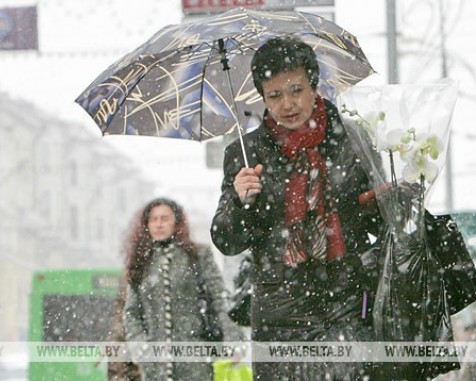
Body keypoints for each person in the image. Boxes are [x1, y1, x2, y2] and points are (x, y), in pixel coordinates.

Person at [210, 36, 383, 380]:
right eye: (274, 96)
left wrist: (391, 198)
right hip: (279, 317)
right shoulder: (246, 154)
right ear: (262, 98)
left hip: (346, 306)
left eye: (296, 90)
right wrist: (243, 203)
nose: (287, 104)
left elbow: (382, 223)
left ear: (314, 87)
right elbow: (226, 239)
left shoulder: (353, 141)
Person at [123, 197, 244, 381]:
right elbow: (131, 312)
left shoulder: (197, 256)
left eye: (165, 218)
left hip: (195, 359)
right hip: (156, 365)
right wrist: (141, 347)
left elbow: (219, 299)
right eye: (153, 219)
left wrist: (233, 340)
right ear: (146, 225)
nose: (159, 224)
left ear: (177, 222)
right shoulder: (141, 262)